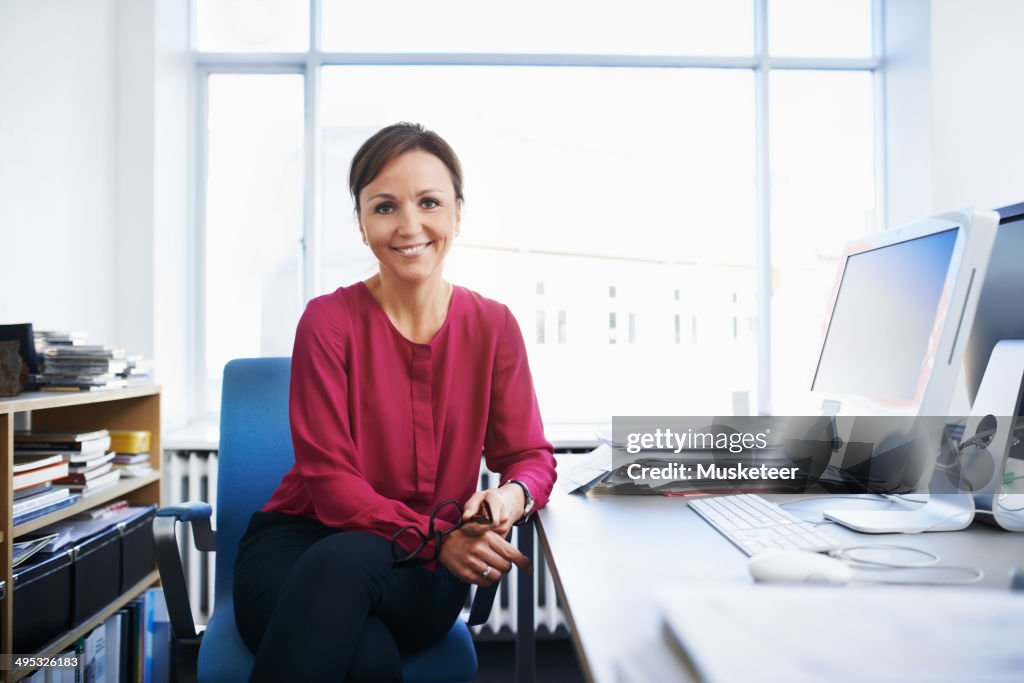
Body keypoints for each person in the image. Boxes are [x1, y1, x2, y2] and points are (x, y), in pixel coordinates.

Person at [233, 122, 558, 682]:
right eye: (384, 207)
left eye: (429, 202)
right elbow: (332, 487)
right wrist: (441, 539)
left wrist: (513, 494)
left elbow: (530, 454)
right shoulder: (327, 321)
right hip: (300, 548)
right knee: (367, 657)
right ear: (361, 224)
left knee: (345, 577)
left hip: (425, 571)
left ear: (458, 212)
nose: (410, 225)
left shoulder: (493, 326)